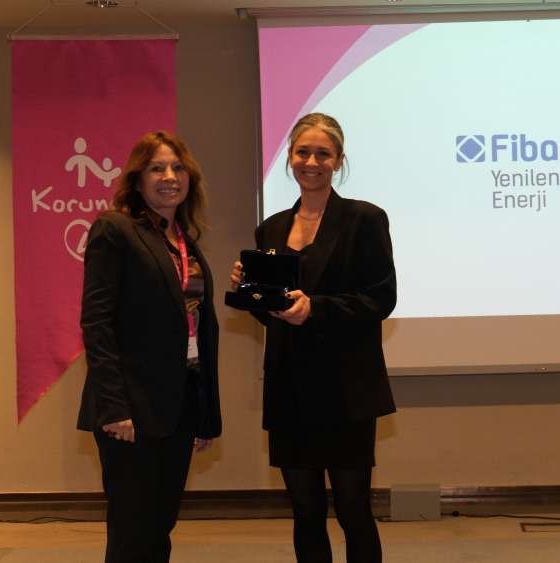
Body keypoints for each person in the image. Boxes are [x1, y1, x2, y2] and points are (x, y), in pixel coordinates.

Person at [230, 113, 397, 563]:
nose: (312, 161)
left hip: (347, 390)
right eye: (303, 152)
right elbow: (274, 314)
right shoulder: (270, 229)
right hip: (289, 388)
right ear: (290, 158)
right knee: (305, 513)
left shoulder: (365, 219)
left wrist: (315, 308)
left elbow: (380, 299)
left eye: (323, 154)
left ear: (339, 161)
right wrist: (250, 292)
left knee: (353, 512)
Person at [77, 131, 221, 563]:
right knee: (132, 531)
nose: (169, 177)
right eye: (157, 168)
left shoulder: (184, 240)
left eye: (178, 168)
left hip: (181, 402)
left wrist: (204, 413)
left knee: (160, 526)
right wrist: (113, 407)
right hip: (131, 404)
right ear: (137, 179)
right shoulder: (115, 228)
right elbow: (97, 323)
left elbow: (198, 329)